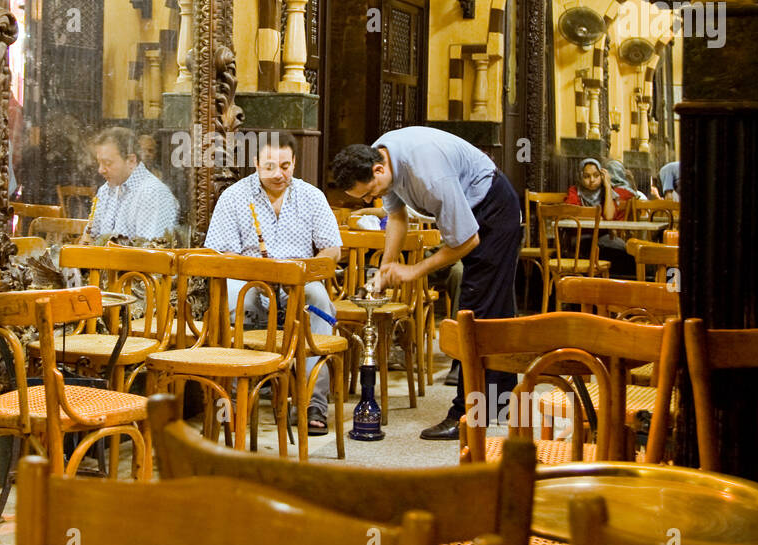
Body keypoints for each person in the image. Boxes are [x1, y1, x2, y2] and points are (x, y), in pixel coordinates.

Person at [330, 127, 521, 441]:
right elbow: (396, 217)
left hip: (493, 209)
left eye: (368, 192)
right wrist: (387, 263)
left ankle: (466, 414)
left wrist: (414, 270)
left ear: (378, 169)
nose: (369, 199)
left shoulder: (428, 174)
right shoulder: (381, 154)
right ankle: (498, 405)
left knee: (476, 310)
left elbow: (467, 240)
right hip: (470, 207)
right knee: (491, 310)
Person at [205, 133, 340, 435]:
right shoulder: (235, 196)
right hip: (248, 276)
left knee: (318, 302)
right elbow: (222, 254)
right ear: (255, 164)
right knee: (237, 300)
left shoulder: (311, 196)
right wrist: (258, 273)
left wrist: (305, 271)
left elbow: (332, 249)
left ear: (294, 162)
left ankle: (311, 402)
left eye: (285, 165)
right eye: (269, 167)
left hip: (299, 278)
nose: (279, 174)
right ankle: (237, 395)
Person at [86, 127, 179, 241]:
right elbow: (89, 238)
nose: (100, 170)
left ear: (131, 160)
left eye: (107, 163)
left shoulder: (154, 194)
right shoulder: (105, 190)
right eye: (99, 163)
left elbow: (149, 253)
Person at [566, 158, 631, 273]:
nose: (592, 180)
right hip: (581, 237)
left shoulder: (606, 191)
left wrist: (607, 186)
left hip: (603, 236)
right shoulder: (575, 191)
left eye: (596, 176)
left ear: (602, 176)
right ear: (580, 177)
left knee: (625, 251)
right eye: (586, 176)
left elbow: (609, 216)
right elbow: (571, 212)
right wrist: (595, 216)